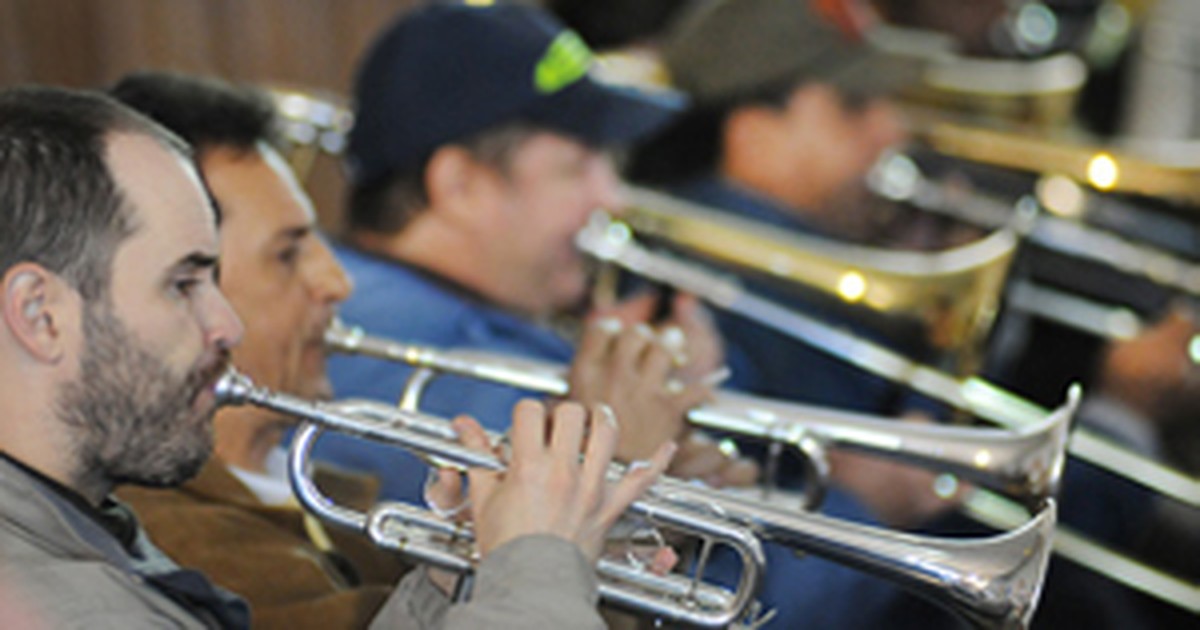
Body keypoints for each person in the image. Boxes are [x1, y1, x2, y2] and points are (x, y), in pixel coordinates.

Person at [0, 85, 674, 629]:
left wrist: (456, 581)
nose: (225, 323)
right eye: (183, 284)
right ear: (39, 314)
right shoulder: (43, 599)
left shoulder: (79, 531)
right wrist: (537, 563)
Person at [320, 0, 756, 504]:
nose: (611, 198)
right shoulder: (425, 360)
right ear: (460, 186)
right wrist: (637, 470)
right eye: (575, 167)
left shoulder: (445, 317)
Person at [107, 71, 396, 629]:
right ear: (179, 288)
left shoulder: (305, 479)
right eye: (288, 255)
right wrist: (533, 554)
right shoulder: (173, 533)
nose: (336, 282)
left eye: (319, 244)